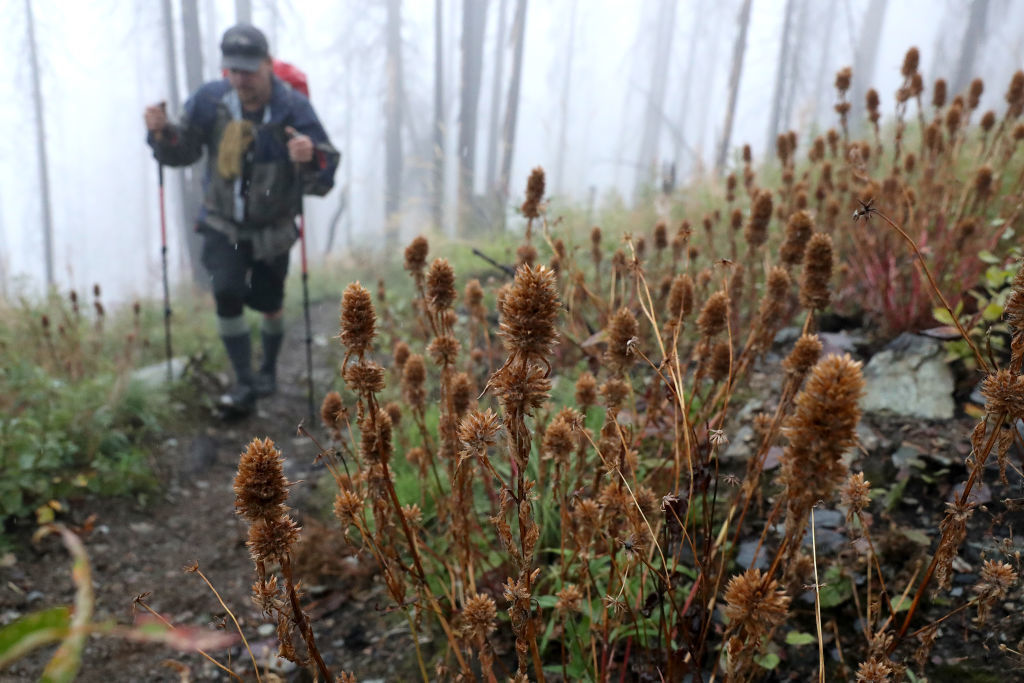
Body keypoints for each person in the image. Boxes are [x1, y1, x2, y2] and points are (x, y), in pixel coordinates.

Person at [144, 24, 339, 416]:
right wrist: (162, 133)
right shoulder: (209, 101)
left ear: (268, 65)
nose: (241, 79)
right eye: (234, 70)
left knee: (269, 301)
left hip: (273, 229)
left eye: (249, 69)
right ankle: (244, 383)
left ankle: (267, 371)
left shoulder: (293, 109)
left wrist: (310, 155)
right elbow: (183, 152)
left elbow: (324, 170)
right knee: (228, 294)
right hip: (222, 223)